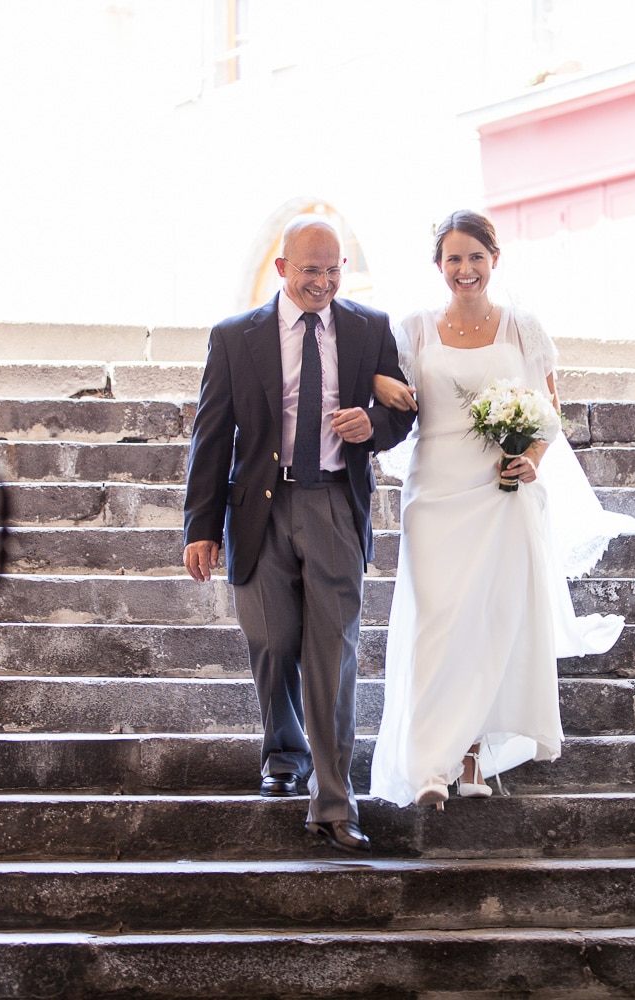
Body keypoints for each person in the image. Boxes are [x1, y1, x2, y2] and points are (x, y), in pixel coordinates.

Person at [368, 209, 635, 809]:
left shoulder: (523, 327)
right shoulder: (413, 328)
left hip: (503, 493)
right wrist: (381, 385)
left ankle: (468, 757)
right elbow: (390, 395)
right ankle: (427, 766)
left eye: (475, 257)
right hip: (436, 495)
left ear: (495, 259)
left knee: (492, 623)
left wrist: (533, 458)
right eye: (452, 259)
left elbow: (548, 408)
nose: (464, 269)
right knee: (438, 623)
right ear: (437, 265)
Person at [182, 216, 416, 854]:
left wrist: (372, 426)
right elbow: (212, 435)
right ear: (282, 268)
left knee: (333, 654)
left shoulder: (369, 327)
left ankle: (335, 801)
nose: (323, 282)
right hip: (260, 506)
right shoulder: (236, 337)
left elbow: (399, 414)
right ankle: (285, 750)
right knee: (272, 638)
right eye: (311, 270)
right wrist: (201, 527)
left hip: (334, 503)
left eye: (334, 269)